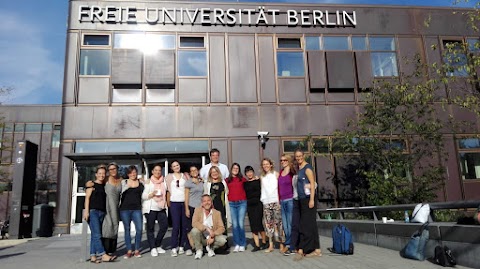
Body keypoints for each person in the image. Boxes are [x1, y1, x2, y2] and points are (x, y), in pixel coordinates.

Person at [83, 165, 115, 263]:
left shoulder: (104, 185)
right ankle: (103, 254)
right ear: (96, 174)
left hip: (102, 212)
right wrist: (86, 211)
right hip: (93, 212)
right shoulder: (91, 185)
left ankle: (93, 256)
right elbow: (87, 198)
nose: (101, 175)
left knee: (94, 235)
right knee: (97, 234)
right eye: (99, 173)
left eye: (103, 173)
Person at [294, 149, 321, 260]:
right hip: (301, 199)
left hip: (308, 199)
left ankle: (305, 248)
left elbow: (313, 184)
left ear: (303, 156)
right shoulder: (299, 168)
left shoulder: (307, 168)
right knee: (312, 224)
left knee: (305, 225)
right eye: (297, 156)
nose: (299, 158)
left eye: (300, 156)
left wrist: (311, 200)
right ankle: (317, 250)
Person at [166, 160, 192, 257]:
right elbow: (164, 187)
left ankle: (181, 246)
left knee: (184, 226)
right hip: (174, 203)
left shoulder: (185, 176)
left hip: (184, 202)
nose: (176, 167)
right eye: (174, 166)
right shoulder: (169, 177)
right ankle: (174, 247)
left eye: (177, 165)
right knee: (176, 226)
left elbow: (192, 183)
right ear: (171, 168)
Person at [189, 194, 227, 260]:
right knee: (194, 230)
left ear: (211, 202)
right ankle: (199, 250)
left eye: (209, 201)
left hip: (212, 238)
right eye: (204, 201)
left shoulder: (217, 213)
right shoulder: (197, 210)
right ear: (202, 203)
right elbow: (194, 223)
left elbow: (222, 228)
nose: (207, 203)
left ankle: (211, 248)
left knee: (223, 240)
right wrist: (206, 228)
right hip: (201, 237)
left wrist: (213, 234)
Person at [142, 164, 168, 257]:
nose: (158, 172)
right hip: (150, 208)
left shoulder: (163, 181)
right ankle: (152, 247)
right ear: (152, 171)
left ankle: (157, 244)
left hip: (161, 207)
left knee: (164, 226)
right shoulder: (148, 182)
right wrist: (151, 194)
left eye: (159, 170)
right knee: (150, 228)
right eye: (156, 170)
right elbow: (143, 196)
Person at [260, 158, 284, 253]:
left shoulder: (276, 174)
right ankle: (271, 245)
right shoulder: (262, 177)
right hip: (266, 202)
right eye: (263, 164)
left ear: (271, 165)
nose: (265, 166)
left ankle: (282, 244)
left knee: (279, 223)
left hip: (276, 201)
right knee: (268, 224)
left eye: (267, 164)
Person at [119, 165, 144, 259]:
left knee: (139, 229)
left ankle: (137, 250)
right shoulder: (123, 182)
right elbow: (117, 192)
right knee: (127, 229)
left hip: (137, 209)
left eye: (134, 172)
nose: (133, 174)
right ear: (128, 174)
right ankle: (129, 250)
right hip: (125, 209)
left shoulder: (141, 182)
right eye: (131, 172)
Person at [243, 165, 267, 252]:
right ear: (245, 174)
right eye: (247, 172)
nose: (249, 174)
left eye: (250, 172)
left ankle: (264, 241)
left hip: (258, 204)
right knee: (253, 225)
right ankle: (256, 245)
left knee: (259, 224)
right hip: (250, 205)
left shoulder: (258, 180)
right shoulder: (245, 183)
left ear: (253, 172)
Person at [226, 163, 247, 252]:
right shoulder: (227, 180)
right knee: (234, 225)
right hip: (231, 204)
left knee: (240, 224)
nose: (235, 169)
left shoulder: (242, 179)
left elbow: (250, 185)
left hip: (242, 203)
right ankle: (237, 244)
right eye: (234, 168)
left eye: (237, 168)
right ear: (231, 169)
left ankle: (242, 244)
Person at [102, 162, 121, 256]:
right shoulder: (105, 179)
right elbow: (95, 184)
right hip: (106, 206)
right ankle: (105, 251)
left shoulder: (120, 180)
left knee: (115, 225)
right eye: (111, 169)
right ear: (108, 171)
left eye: (114, 169)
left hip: (116, 207)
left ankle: (112, 250)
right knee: (107, 226)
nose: (113, 171)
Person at [278, 154, 296, 256]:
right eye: (281, 160)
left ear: (288, 161)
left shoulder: (292, 172)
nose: (283, 162)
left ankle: (291, 246)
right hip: (282, 201)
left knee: (290, 223)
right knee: (285, 225)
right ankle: (290, 244)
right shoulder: (280, 172)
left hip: (290, 200)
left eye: (285, 160)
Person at [185, 165, 204, 251]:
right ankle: (191, 246)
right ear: (190, 173)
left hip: (200, 208)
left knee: (199, 227)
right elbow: (186, 197)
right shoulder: (188, 183)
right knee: (190, 227)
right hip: (191, 206)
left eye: (195, 170)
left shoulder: (201, 182)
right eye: (192, 171)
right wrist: (186, 209)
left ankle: (200, 244)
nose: (194, 172)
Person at [204, 166, 228, 234]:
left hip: (222, 207)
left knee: (222, 224)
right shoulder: (208, 184)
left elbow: (227, 193)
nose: (214, 173)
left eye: (216, 171)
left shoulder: (223, 182)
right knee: (213, 224)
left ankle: (224, 242)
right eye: (212, 172)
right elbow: (205, 196)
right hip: (212, 208)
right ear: (210, 174)